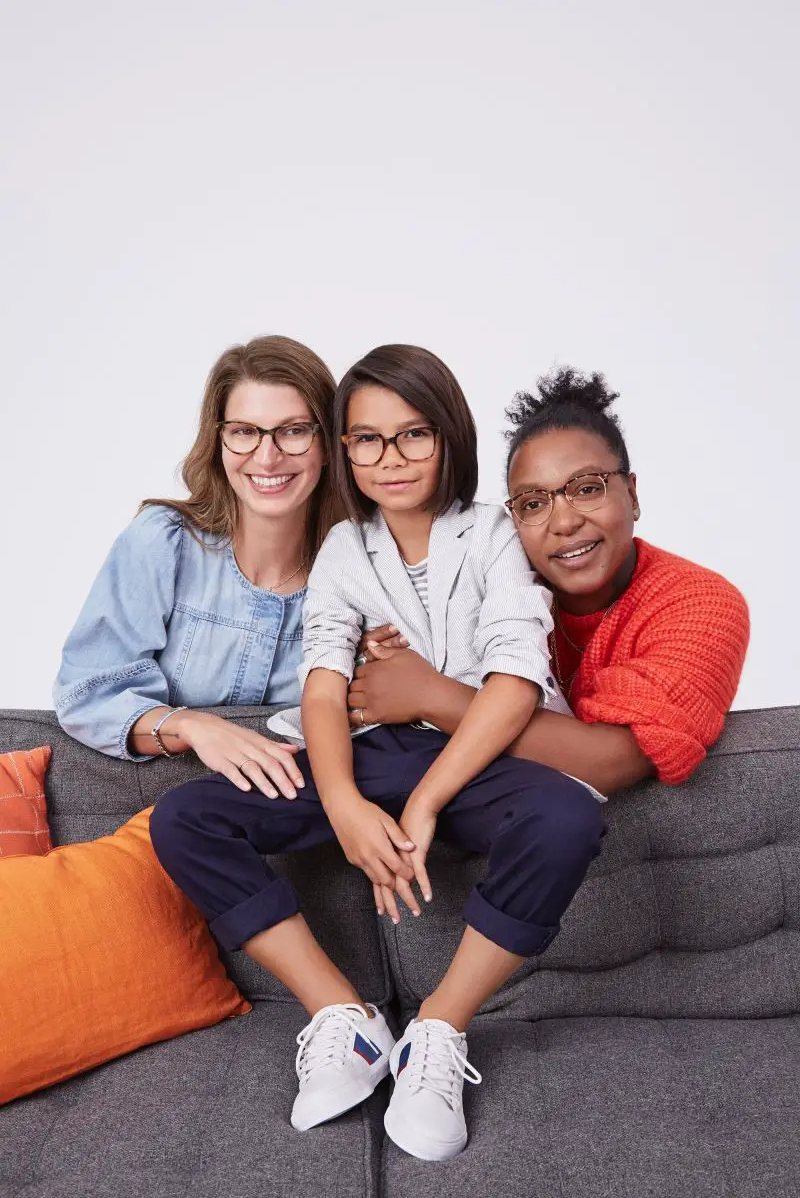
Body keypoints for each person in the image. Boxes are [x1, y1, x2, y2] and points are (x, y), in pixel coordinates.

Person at [149, 345, 606, 1162]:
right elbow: (324, 689)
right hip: (374, 753)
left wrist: (427, 801)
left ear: (449, 436)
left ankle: (436, 1029)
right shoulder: (343, 549)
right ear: (343, 449)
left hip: (478, 757)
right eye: (366, 440)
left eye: (413, 436)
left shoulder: (498, 529)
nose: (389, 459)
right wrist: (346, 805)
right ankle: (347, 1021)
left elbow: (515, 682)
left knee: (567, 814)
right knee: (185, 818)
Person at [346, 368, 750, 793]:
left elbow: (614, 760)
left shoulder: (701, 604)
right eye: (533, 502)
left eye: (588, 489)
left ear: (632, 494)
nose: (564, 521)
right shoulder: (493, 576)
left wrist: (434, 697)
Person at [54, 334, 340, 797]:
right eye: (244, 431)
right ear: (218, 439)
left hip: (305, 832)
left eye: (293, 430)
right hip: (160, 823)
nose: (267, 457)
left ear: (327, 442)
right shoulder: (163, 542)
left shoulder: (360, 571)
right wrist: (192, 726)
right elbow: (87, 694)